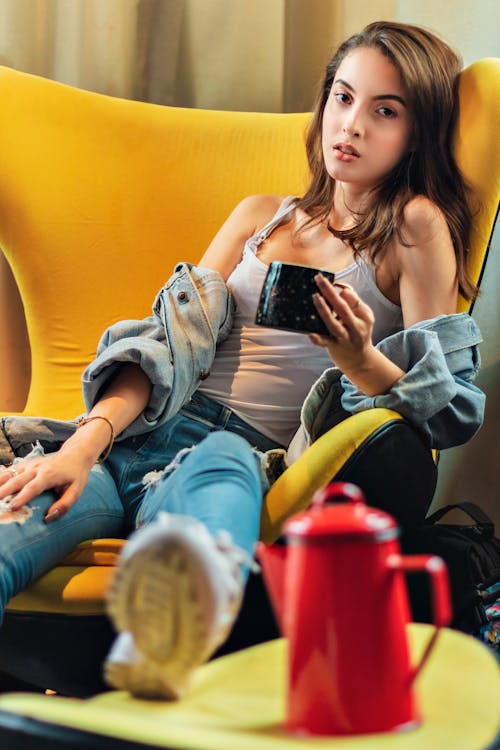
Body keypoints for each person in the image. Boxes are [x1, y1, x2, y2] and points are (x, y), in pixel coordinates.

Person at [0, 21, 485, 700]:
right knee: (22, 515)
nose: (351, 125)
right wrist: (84, 444)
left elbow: (445, 404)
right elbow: (166, 344)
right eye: (343, 99)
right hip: (133, 439)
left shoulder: (415, 228)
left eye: (384, 111)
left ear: (418, 131)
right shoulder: (260, 215)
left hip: (242, 454)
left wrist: (359, 360)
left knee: (213, 487)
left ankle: (165, 646)